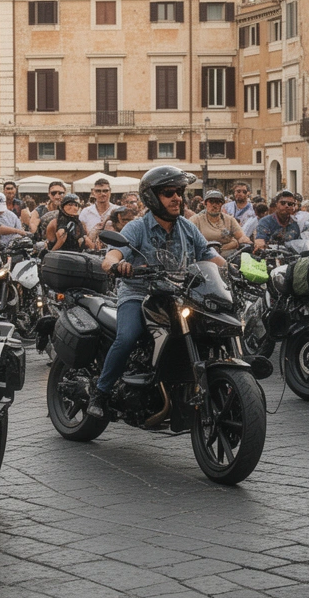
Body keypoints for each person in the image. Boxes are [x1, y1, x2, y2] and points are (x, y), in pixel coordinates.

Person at [92, 166, 226, 418]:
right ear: (153, 198)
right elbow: (111, 256)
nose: (177, 197)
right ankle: (101, 392)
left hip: (178, 296)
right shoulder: (137, 228)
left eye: (179, 192)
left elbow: (210, 255)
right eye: (168, 193)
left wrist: (233, 269)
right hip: (139, 295)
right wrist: (117, 265)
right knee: (128, 337)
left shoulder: (187, 227)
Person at [189, 189, 250, 256]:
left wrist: (246, 241)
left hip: (228, 256)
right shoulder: (196, 220)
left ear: (222, 205)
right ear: (205, 204)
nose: (214, 205)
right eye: (211, 202)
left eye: (218, 202)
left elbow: (241, 236)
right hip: (204, 257)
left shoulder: (229, 220)